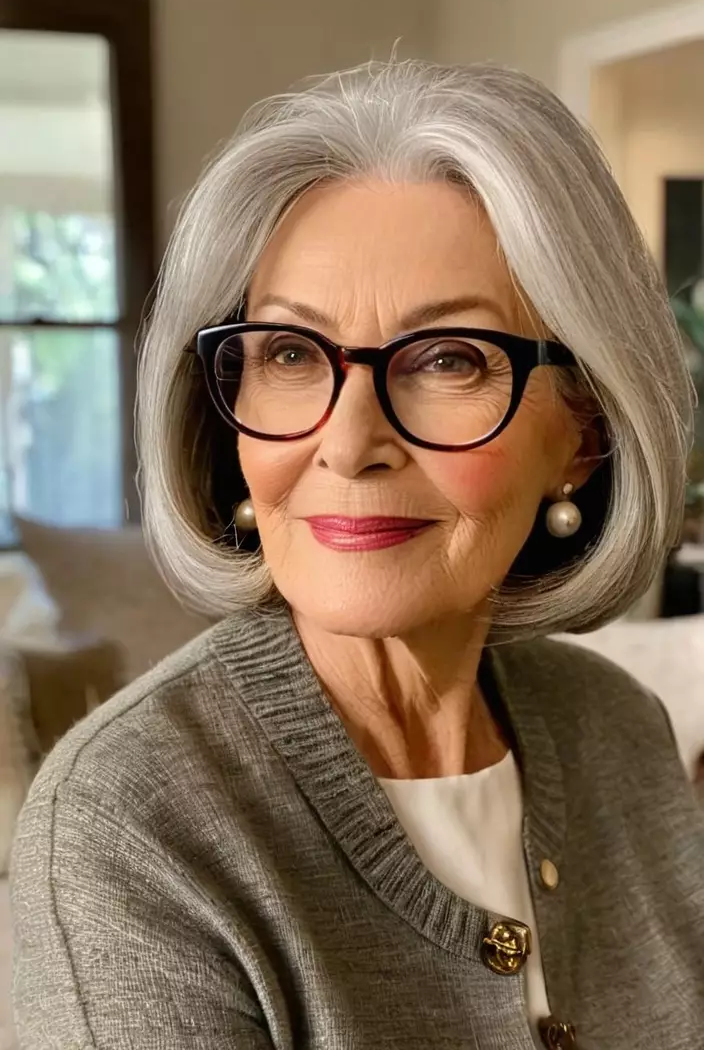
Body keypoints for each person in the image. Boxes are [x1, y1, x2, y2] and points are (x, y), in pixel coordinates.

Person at [10, 59, 704, 1050]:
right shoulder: (128, 820)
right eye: (291, 354)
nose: (346, 442)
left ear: (580, 434)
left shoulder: (618, 733)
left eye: (448, 359)